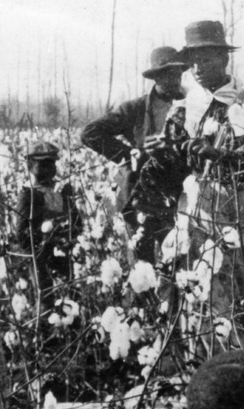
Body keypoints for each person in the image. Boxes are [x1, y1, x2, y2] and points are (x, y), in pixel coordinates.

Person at [81, 46, 188, 263]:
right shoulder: (137, 109)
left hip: (179, 198)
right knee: (142, 267)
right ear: (155, 77)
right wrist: (130, 154)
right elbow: (90, 133)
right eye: (169, 74)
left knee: (181, 264)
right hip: (142, 198)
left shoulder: (191, 105)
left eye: (178, 73)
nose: (175, 79)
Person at [162, 20, 244, 187]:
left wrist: (220, 156)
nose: (197, 69)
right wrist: (161, 157)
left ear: (224, 60)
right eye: (192, 64)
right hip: (197, 205)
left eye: (205, 61)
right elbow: (174, 168)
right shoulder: (183, 111)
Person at [16, 141, 81, 294]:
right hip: (41, 259)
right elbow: (22, 236)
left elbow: (78, 223)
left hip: (64, 256)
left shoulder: (60, 192)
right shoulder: (28, 195)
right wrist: (49, 235)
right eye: (42, 165)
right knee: (47, 299)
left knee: (69, 299)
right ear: (30, 167)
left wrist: (67, 236)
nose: (47, 170)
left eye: (50, 164)